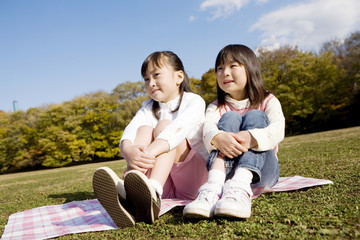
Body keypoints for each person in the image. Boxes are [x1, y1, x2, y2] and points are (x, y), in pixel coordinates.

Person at [92, 51, 209, 228]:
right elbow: (130, 130)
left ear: (178, 77)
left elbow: (177, 132)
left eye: (156, 75)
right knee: (144, 129)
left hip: (194, 181)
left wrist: (147, 154)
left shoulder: (194, 101)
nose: (151, 83)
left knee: (163, 126)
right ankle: (137, 198)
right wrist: (128, 152)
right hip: (168, 184)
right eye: (146, 79)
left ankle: (152, 189)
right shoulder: (147, 107)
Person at [183, 44, 285, 219]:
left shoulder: (268, 100)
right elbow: (207, 131)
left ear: (250, 68)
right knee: (230, 118)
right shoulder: (216, 107)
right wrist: (218, 137)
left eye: (233, 66)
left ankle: (241, 187)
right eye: (220, 68)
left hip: (261, 173)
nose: (225, 73)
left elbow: (278, 130)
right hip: (225, 175)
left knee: (255, 115)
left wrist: (251, 137)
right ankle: (212, 189)